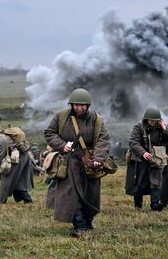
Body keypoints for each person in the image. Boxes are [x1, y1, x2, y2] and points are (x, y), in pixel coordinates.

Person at [44, 88, 111, 237]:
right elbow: (49, 133)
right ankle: (79, 225)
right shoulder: (61, 117)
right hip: (69, 162)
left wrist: (98, 160)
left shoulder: (96, 119)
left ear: (88, 105)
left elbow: (103, 140)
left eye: (82, 105)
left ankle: (87, 222)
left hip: (90, 162)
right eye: (76, 105)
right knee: (72, 194)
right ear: (71, 105)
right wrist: (62, 145)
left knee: (90, 195)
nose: (79, 108)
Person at [125, 106, 168, 211]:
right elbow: (133, 142)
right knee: (139, 183)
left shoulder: (161, 128)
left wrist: (165, 129)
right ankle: (138, 206)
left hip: (156, 159)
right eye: (151, 120)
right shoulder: (138, 127)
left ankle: (155, 205)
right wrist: (143, 153)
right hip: (140, 159)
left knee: (156, 181)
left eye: (155, 120)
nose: (153, 122)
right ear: (146, 119)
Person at [0, 128, 34, 204]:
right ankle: (27, 200)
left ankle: (2, 201)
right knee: (18, 181)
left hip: (16, 159)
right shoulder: (2, 137)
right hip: (21, 157)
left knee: (6, 181)